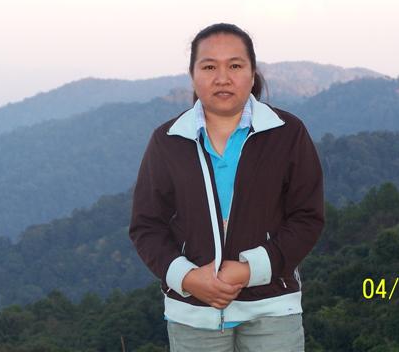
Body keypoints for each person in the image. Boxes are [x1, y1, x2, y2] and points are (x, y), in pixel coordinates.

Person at [129, 23, 325, 351]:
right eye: (209, 67)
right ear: (193, 75)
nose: (222, 78)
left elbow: (307, 218)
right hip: (194, 313)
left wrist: (251, 270)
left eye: (235, 65)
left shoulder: (287, 133)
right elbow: (146, 226)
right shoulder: (169, 141)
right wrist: (187, 278)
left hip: (272, 307)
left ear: (252, 73)